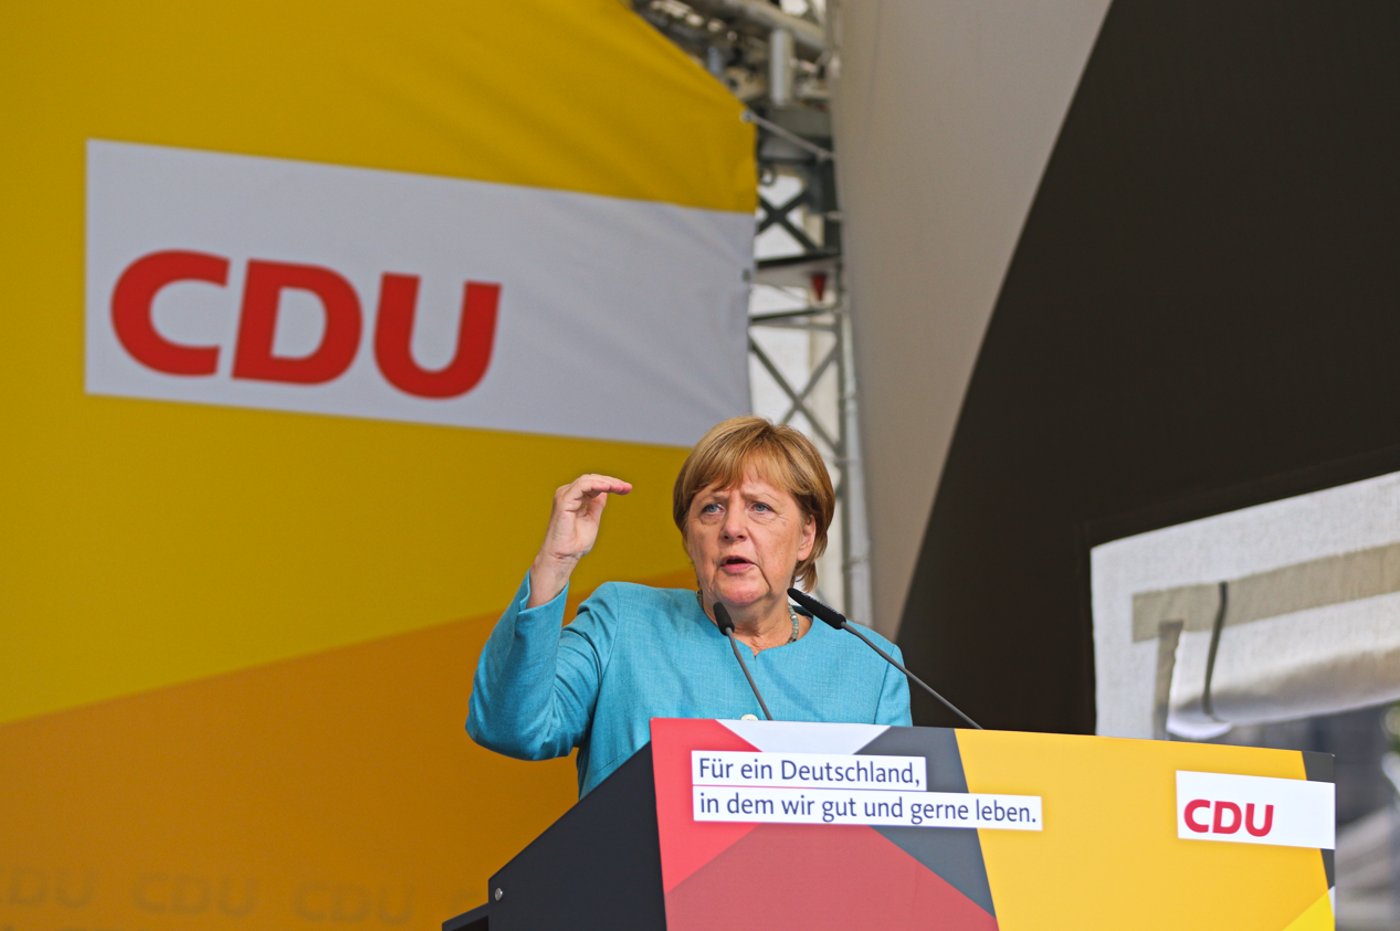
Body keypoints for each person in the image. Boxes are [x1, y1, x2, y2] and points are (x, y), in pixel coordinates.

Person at [466, 416, 912, 795]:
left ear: (806, 536)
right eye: (711, 509)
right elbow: (511, 728)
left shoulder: (872, 667)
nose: (732, 527)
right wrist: (555, 562)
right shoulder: (623, 623)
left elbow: (897, 834)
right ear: (689, 539)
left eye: (760, 507)